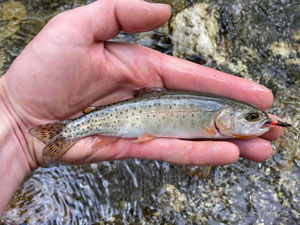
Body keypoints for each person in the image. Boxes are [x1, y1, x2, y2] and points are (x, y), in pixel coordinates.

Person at [0, 0, 282, 214]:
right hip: (121, 116)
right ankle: (68, 131)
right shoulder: (215, 120)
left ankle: (64, 131)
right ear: (225, 118)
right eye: (251, 117)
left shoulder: (219, 118)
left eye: (252, 117)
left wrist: (11, 115)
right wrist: (11, 112)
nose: (257, 121)